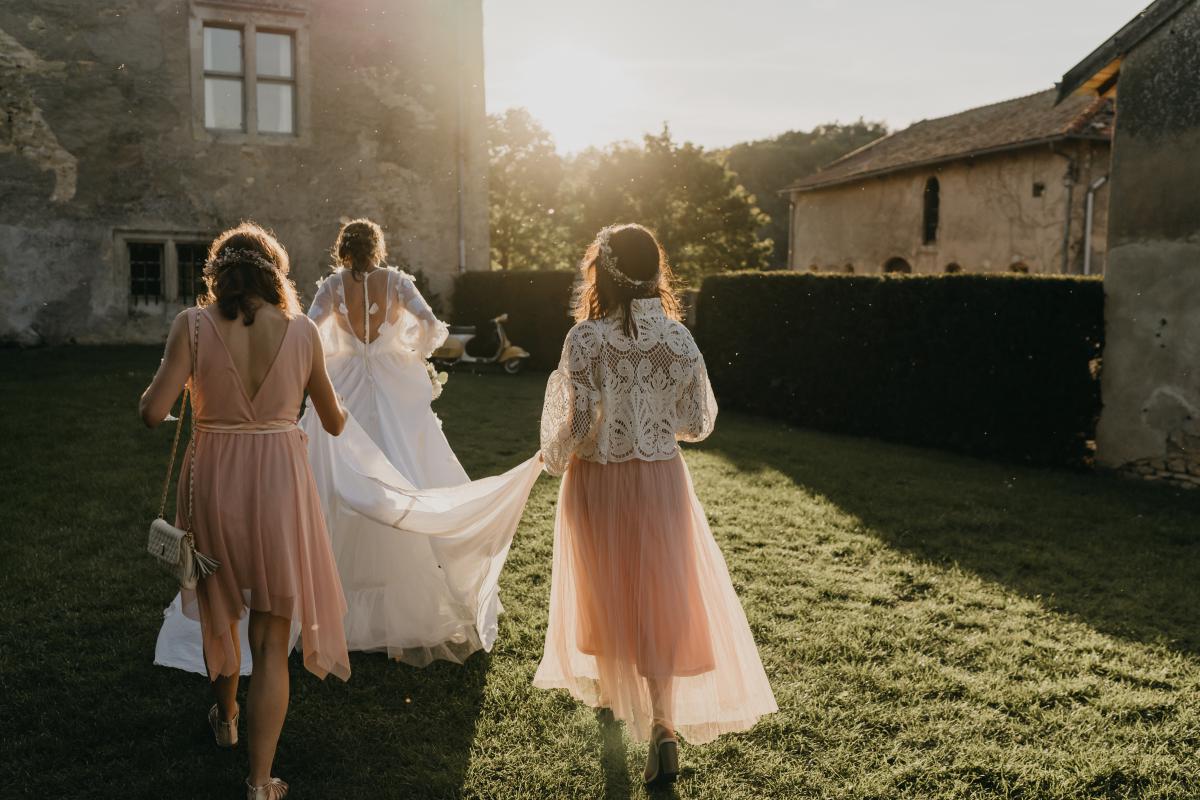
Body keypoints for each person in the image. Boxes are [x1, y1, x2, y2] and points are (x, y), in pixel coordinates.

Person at [155, 218, 541, 676]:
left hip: (335, 392)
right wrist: (404, 351)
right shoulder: (395, 282)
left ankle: (243, 672)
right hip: (385, 388)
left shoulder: (330, 289)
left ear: (342, 249)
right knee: (406, 465)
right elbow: (432, 327)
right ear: (377, 247)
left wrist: (340, 351)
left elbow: (310, 327)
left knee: (329, 479)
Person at [534, 224, 777, 788]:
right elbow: (697, 422)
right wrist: (652, 420)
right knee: (661, 592)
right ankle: (663, 726)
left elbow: (572, 424)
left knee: (607, 587)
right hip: (662, 480)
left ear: (604, 273)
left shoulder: (586, 340)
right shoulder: (679, 340)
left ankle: (612, 697)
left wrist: (553, 456)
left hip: (598, 480)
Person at [140, 222, 349, 800]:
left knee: (221, 605)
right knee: (271, 631)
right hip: (280, 482)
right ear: (274, 274)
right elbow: (332, 421)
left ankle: (228, 718)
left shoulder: (194, 325)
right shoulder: (304, 331)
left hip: (214, 481)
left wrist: (179, 391)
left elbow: (153, 412)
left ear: (218, 275)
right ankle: (260, 781)